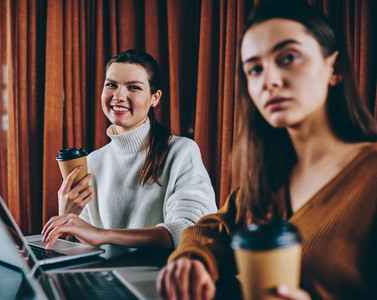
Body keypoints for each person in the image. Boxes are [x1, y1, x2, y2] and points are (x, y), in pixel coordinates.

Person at [157, 1, 377, 299]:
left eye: (288, 57)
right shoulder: (269, 176)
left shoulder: (368, 176)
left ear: (334, 68)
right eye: (255, 69)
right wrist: (192, 259)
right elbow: (213, 228)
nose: (268, 81)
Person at [42, 49, 217, 250]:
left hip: (158, 278)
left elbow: (189, 231)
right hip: (105, 276)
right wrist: (67, 216)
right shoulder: (93, 162)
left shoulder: (182, 151)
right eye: (111, 85)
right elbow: (78, 248)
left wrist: (101, 234)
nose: (118, 96)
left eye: (133, 87)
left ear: (155, 98)